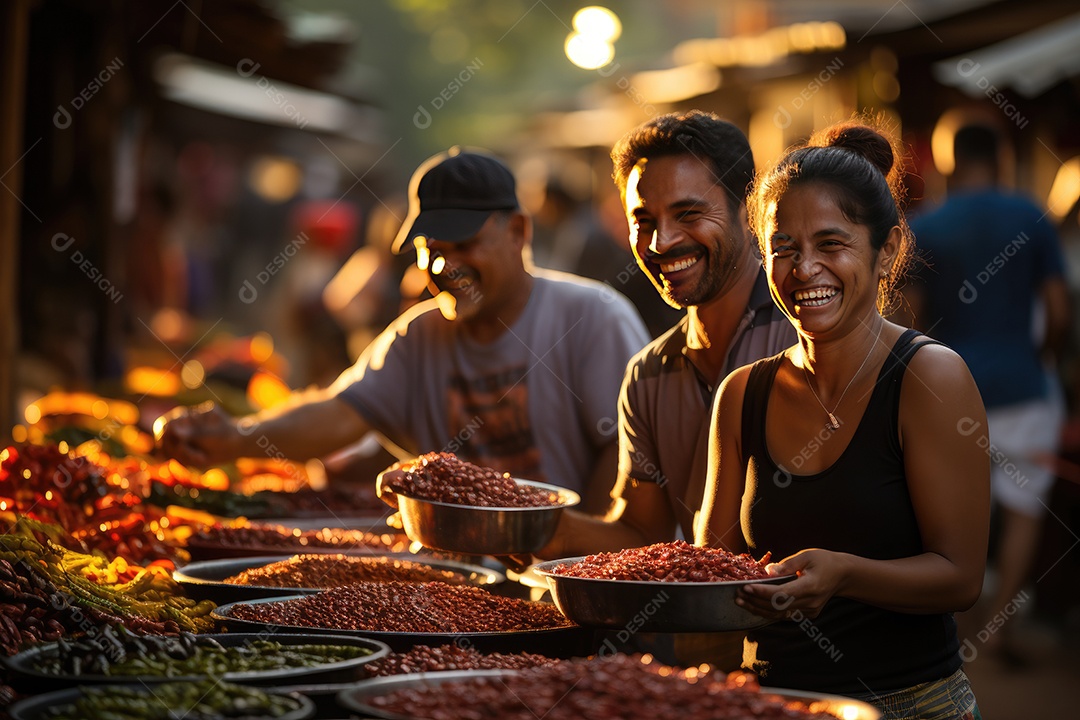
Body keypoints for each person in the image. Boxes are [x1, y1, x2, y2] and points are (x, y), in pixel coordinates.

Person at [155, 147, 650, 513]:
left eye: (465, 245)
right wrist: (238, 438)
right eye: (430, 248)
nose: (443, 265)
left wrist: (576, 548)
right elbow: (339, 414)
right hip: (463, 582)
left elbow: (629, 452)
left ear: (519, 231)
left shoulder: (592, 317)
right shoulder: (420, 336)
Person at [697, 121, 989, 719]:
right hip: (774, 702)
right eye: (784, 249)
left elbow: (960, 578)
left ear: (887, 253)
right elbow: (711, 570)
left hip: (913, 703)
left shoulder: (929, 378)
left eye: (832, 244)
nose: (805, 269)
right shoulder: (741, 395)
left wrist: (844, 575)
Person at [538, 110, 796, 558]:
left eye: (689, 213)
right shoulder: (648, 375)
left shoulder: (805, 338)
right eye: (643, 220)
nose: (661, 242)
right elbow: (643, 535)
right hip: (710, 627)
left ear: (747, 211)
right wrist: (517, 524)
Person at [904, 123, 1070, 658]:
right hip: (1023, 390)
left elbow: (912, 316)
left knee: (950, 512)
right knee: (1022, 512)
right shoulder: (1031, 216)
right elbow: (1060, 309)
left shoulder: (924, 226)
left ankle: (952, 625)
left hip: (949, 393)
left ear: (947, 163)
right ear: (1000, 156)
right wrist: (1042, 359)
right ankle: (999, 629)